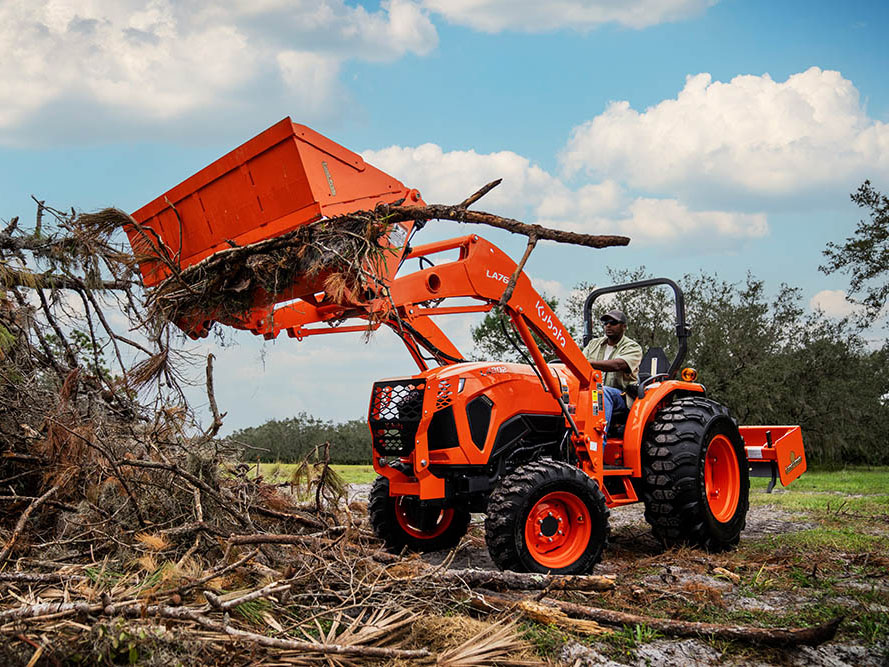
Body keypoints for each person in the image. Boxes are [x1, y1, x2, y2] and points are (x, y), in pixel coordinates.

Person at [581, 309, 643, 442]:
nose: (608, 325)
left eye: (613, 322)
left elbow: (618, 365)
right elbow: (579, 361)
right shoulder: (593, 344)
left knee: (601, 392)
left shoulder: (633, 347)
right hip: (591, 393)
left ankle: (597, 443)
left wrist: (588, 363)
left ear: (624, 327)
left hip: (621, 396)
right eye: (605, 322)